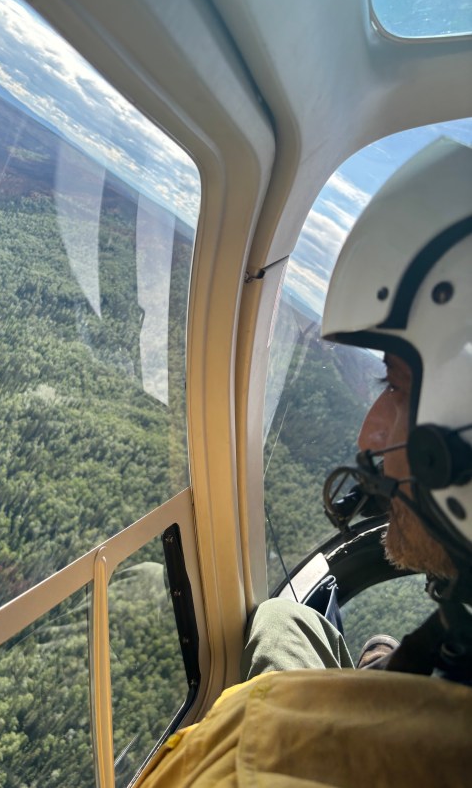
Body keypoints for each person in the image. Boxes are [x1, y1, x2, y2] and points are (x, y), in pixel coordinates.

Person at [136, 138, 472, 786]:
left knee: (281, 621)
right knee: (285, 617)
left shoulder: (254, 746)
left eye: (396, 390)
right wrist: (397, 665)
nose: (370, 435)